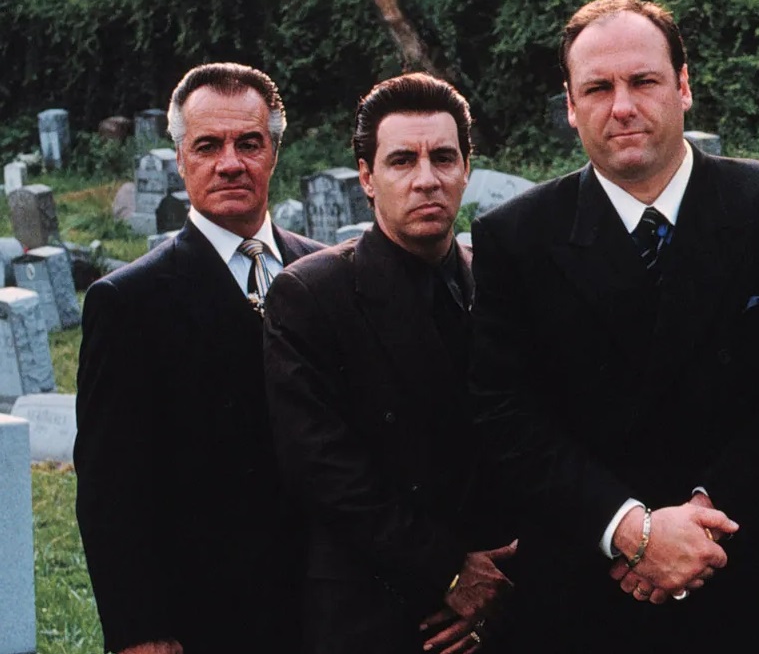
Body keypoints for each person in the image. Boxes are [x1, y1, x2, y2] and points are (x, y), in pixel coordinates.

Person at [465, 0, 759, 653]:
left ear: (683, 86)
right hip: (591, 593)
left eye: (643, 81)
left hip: (754, 580)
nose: (622, 106)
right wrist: (631, 530)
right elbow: (505, 413)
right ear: (570, 105)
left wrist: (703, 515)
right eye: (598, 88)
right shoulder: (516, 238)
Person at [263, 73, 516, 654]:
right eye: (402, 160)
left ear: (466, 168)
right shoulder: (313, 294)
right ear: (367, 177)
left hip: (501, 597)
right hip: (379, 610)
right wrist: (449, 572)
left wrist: (504, 572)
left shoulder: (497, 282)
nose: (427, 179)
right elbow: (323, 468)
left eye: (443, 158)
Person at [75, 62, 323, 654]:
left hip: (327, 607)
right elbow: (111, 486)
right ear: (181, 158)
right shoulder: (129, 302)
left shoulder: (326, 272)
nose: (230, 163)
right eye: (208, 146)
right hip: (206, 615)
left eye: (249, 143)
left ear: (274, 153)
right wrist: (139, 629)